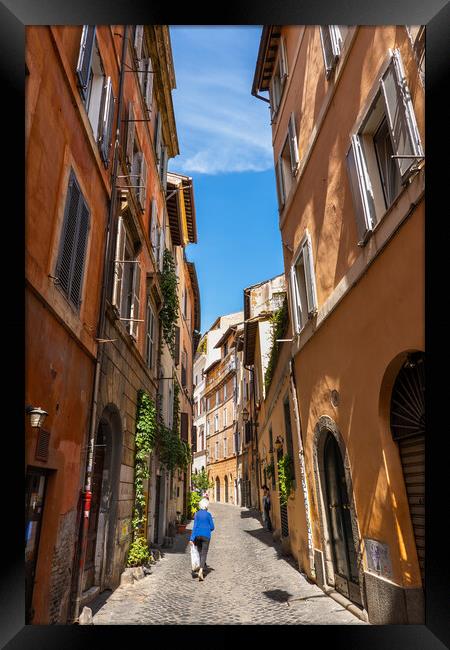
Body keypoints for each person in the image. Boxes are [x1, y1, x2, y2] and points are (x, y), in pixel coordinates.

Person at [189, 497, 214, 581]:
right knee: (204, 553)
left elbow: (194, 526)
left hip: (197, 536)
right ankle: (201, 570)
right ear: (206, 506)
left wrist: (191, 539)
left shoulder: (197, 514)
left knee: (200, 552)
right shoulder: (208, 515)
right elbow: (212, 527)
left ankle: (200, 567)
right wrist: (207, 529)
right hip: (206, 536)